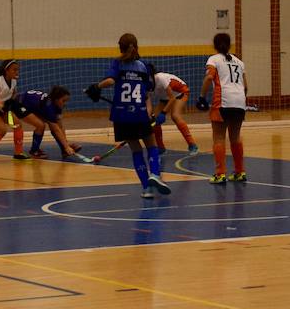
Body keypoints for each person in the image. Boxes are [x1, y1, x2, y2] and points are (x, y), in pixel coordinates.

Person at [85, 33, 170, 199]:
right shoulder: (143, 66)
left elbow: (110, 81)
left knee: (136, 150)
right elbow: (146, 94)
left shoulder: (117, 63)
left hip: (121, 115)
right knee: (151, 146)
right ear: (136, 47)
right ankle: (155, 174)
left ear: (120, 47)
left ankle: (146, 188)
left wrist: (96, 86)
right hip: (139, 113)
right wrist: (149, 113)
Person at [196, 33, 247, 184]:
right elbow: (246, 86)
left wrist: (202, 97)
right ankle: (239, 172)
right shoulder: (239, 61)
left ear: (215, 45)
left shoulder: (214, 59)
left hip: (223, 101)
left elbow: (209, 78)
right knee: (235, 137)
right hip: (239, 101)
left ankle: (220, 174)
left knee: (218, 137)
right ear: (229, 45)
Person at [0, 59, 42, 162]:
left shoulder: (14, 81)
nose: (17, 72)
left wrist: (10, 102)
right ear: (7, 71)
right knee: (2, 130)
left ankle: (18, 153)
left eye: (18, 70)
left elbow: (13, 93)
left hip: (2, 108)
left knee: (17, 125)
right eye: (14, 70)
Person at [148, 64, 198, 154]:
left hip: (180, 93)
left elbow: (172, 98)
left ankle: (192, 144)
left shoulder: (160, 79)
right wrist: (150, 117)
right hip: (165, 98)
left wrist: (163, 113)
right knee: (154, 119)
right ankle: (161, 147)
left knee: (175, 116)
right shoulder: (145, 84)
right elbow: (148, 103)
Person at [20, 86, 81, 160]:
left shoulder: (57, 105)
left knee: (55, 126)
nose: (65, 103)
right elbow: (56, 130)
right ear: (56, 99)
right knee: (41, 125)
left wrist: (65, 144)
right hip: (20, 104)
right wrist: (67, 147)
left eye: (66, 101)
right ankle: (34, 151)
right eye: (63, 101)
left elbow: (60, 127)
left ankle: (63, 150)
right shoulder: (49, 107)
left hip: (33, 106)